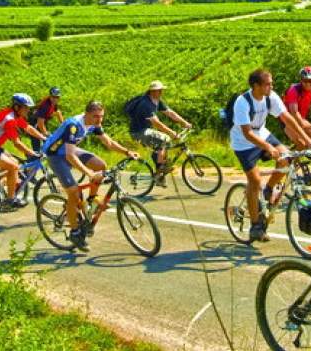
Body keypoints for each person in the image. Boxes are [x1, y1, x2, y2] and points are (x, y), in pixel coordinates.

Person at [229, 68, 311, 242]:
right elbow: (247, 133)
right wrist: (269, 148)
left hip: (261, 133)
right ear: (256, 86)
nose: (272, 86)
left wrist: (309, 141)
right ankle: (255, 226)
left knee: (286, 158)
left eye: (271, 83)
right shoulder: (243, 102)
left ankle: (269, 188)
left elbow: (288, 118)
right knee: (254, 181)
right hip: (243, 142)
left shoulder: (271, 97)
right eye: (268, 84)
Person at [42, 101, 140, 251]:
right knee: (74, 192)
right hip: (56, 155)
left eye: (101, 116)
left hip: (71, 151)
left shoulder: (94, 124)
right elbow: (69, 156)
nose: (99, 120)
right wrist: (89, 173)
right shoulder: (73, 125)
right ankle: (75, 232)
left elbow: (109, 142)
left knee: (101, 165)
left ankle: (91, 201)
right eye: (95, 116)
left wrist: (127, 152)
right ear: (86, 113)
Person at [0, 93, 47, 207]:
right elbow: (17, 143)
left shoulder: (12, 115)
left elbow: (28, 128)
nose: (28, 110)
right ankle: (10, 200)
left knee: (15, 162)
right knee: (13, 167)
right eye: (26, 107)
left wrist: (43, 137)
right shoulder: (9, 120)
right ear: (17, 107)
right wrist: (33, 153)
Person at [126, 81, 192, 176]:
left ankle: (158, 176)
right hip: (139, 132)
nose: (161, 92)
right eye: (158, 90)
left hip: (146, 130)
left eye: (161, 90)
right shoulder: (146, 104)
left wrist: (184, 122)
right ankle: (161, 167)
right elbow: (156, 123)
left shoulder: (156, 100)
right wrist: (171, 132)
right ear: (152, 91)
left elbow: (170, 113)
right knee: (165, 139)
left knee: (160, 147)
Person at [29, 88, 64, 152]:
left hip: (43, 122)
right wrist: (45, 133)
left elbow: (58, 112)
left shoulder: (53, 103)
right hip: (35, 123)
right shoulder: (46, 106)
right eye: (53, 97)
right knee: (37, 144)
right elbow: (40, 122)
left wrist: (64, 125)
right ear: (50, 96)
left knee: (48, 142)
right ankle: (33, 157)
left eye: (57, 97)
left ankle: (43, 156)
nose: (55, 99)